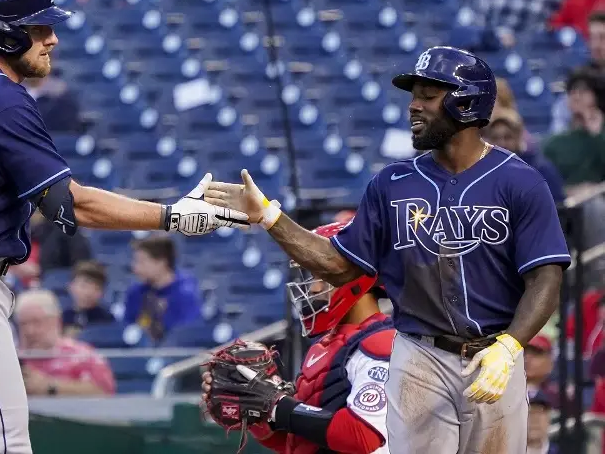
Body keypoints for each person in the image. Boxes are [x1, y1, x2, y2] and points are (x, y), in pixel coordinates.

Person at [0, 0, 247, 454]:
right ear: (4, 30)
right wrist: (172, 216)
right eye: (38, 27)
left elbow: (46, 206)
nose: (52, 37)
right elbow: (69, 203)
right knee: (3, 441)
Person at [205, 46, 570, 454]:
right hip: (419, 355)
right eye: (413, 96)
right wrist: (270, 218)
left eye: (428, 96)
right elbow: (339, 265)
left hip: (495, 354)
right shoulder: (392, 183)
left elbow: (546, 275)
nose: (413, 106)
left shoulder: (520, 181)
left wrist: (511, 345)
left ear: (465, 102)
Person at [202, 222, 394, 453]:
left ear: (359, 274)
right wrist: (255, 409)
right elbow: (298, 443)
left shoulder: (383, 343)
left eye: (322, 274)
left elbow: (361, 436)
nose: (313, 288)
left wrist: (276, 404)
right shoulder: (323, 346)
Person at [15, 290, 116, 396]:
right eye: (23, 324)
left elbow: (105, 391)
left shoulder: (82, 355)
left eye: (36, 322)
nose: (29, 331)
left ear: (56, 321)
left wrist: (50, 387)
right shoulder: (11, 359)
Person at [123, 235, 202, 342]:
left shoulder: (185, 295)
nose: (135, 268)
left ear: (161, 262)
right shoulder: (135, 293)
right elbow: (126, 331)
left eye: (141, 261)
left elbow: (187, 337)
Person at [483, 108, 566, 203]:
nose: (502, 143)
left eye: (508, 137)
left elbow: (558, 208)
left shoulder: (541, 170)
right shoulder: (482, 173)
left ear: (518, 137)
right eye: (495, 138)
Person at [62, 260, 114, 337]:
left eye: (96, 288)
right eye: (83, 286)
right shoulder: (62, 318)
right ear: (71, 286)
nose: (88, 293)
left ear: (103, 292)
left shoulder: (108, 320)